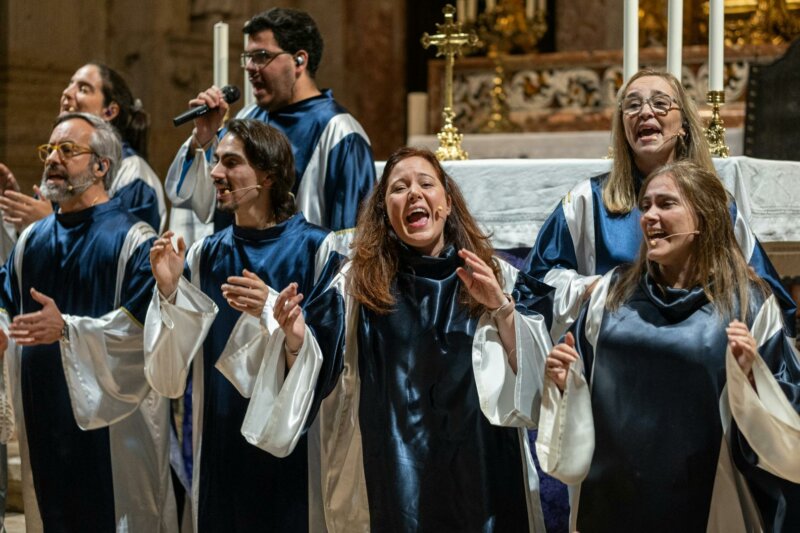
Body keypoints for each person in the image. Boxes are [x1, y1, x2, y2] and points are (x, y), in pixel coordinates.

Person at [223, 147, 553, 531]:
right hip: (391, 471)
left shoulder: (492, 278)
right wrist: (295, 337)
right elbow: (313, 363)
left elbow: (538, 383)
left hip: (480, 468)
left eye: (426, 184)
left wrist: (501, 309)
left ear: (446, 202)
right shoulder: (354, 285)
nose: (414, 193)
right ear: (385, 211)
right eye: (399, 188)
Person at [538, 161, 800, 532]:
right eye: (645, 206)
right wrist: (565, 382)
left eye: (666, 204)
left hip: (709, 499)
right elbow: (578, 395)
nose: (649, 217)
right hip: (612, 497)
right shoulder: (610, 296)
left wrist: (754, 380)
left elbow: (789, 419)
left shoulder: (747, 304)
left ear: (704, 217)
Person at [145, 119, 341, 531]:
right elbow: (169, 371)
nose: (215, 173)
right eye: (216, 161)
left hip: (294, 443)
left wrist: (277, 315)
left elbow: (333, 360)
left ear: (268, 174)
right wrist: (169, 293)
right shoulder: (202, 256)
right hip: (220, 437)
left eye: (230, 162)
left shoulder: (319, 250)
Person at [0, 113, 176, 531]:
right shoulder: (31, 240)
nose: (53, 159)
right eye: (49, 150)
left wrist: (67, 330)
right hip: (44, 414)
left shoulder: (137, 241)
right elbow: (6, 304)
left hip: (114, 431)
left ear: (102, 167)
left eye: (68, 150)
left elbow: (145, 337)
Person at [525, 69, 796, 341]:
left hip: (699, 353)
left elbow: (768, 298)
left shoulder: (717, 205)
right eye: (632, 105)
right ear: (623, 127)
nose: (645, 112)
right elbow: (534, 285)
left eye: (660, 103)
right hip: (617, 350)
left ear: (684, 126)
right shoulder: (589, 200)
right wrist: (596, 288)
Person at [166, 7, 375, 248]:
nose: (250, 67)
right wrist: (204, 137)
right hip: (233, 268)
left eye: (262, 56)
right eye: (249, 57)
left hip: (300, 280)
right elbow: (200, 207)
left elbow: (351, 239)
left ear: (300, 60)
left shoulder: (340, 132)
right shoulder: (248, 118)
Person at [0, 62, 167, 233]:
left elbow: (125, 246)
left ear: (109, 112)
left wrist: (50, 224)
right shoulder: (63, 163)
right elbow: (29, 252)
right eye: (69, 84)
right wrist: (14, 210)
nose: (66, 92)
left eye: (83, 89)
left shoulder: (133, 173)